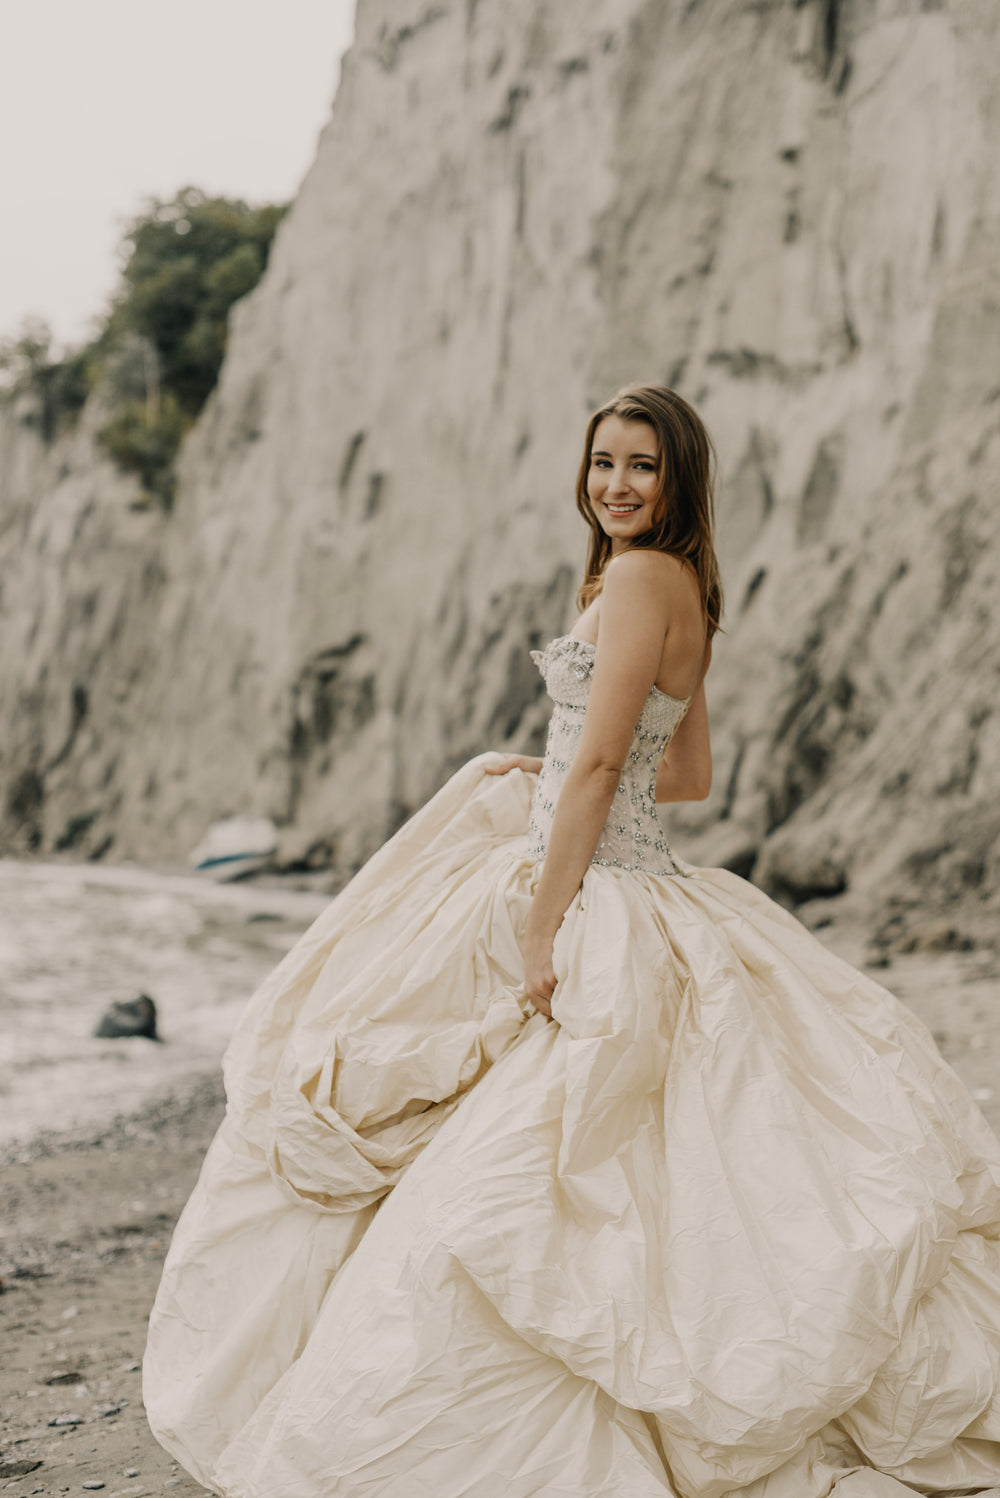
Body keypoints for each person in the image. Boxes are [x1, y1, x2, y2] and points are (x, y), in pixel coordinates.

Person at [144, 386, 1000, 1498]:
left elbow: (603, 771)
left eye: (642, 466)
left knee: (532, 1169)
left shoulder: (641, 576)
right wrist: (536, 765)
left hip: (604, 893)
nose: (616, 484)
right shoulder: (666, 579)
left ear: (677, 478)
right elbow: (681, 774)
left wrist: (543, 920)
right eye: (603, 461)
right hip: (636, 878)